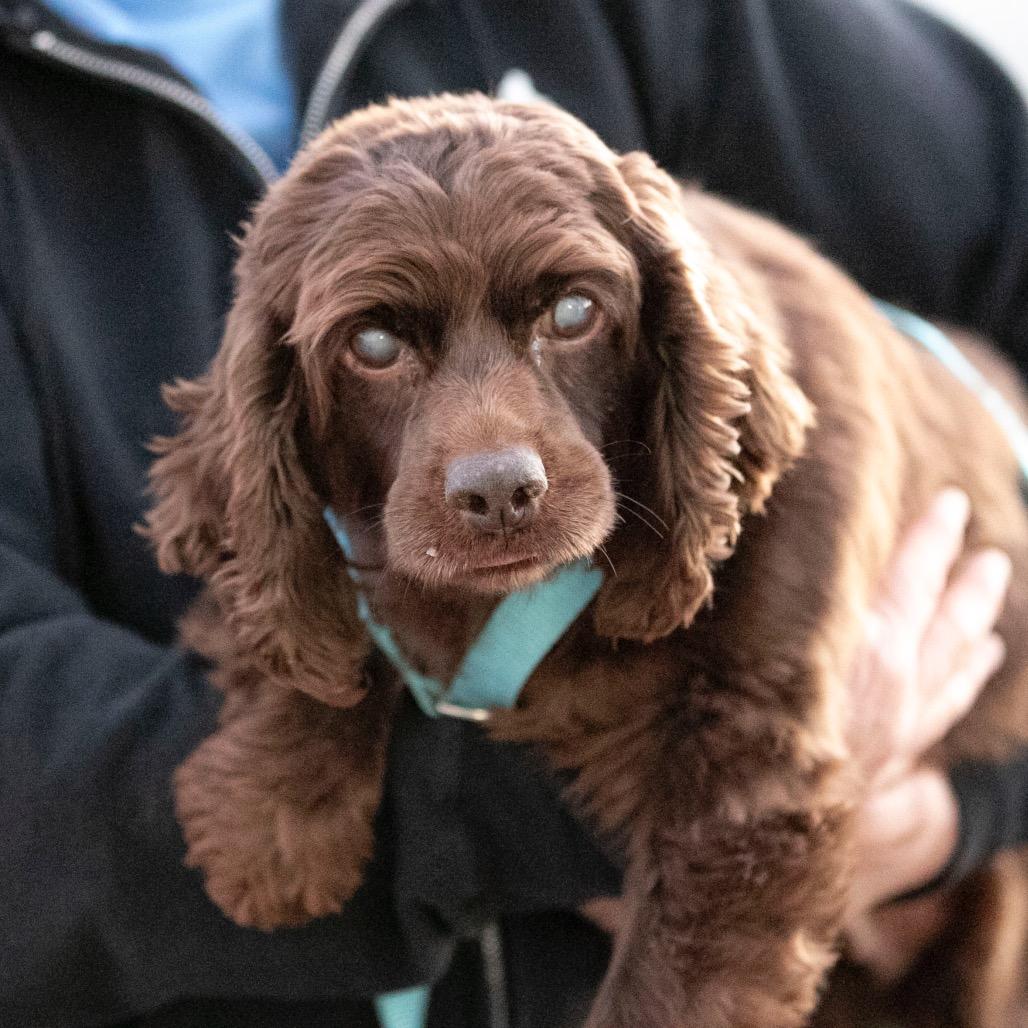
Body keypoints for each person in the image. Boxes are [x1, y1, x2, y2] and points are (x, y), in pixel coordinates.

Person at [1, 1, 1026, 1025]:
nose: (496, 463)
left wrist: (958, 812)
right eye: (374, 346)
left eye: (571, 313)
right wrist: (376, 755)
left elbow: (1005, 218)